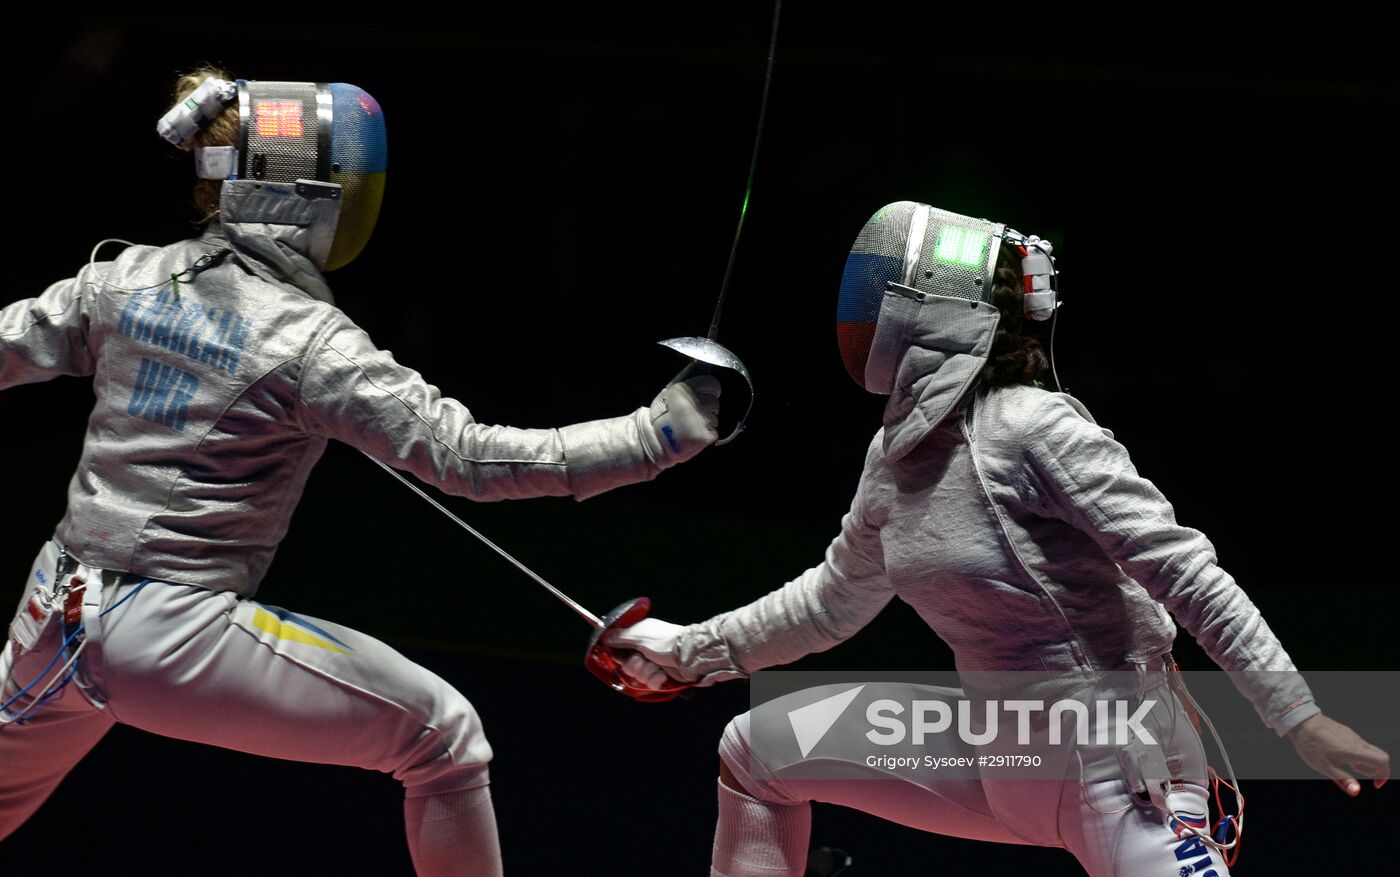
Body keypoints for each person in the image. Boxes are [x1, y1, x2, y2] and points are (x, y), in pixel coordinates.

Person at [0, 69, 720, 877]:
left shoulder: (124, 275)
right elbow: (471, 458)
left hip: (49, 620)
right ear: (315, 192)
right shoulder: (313, 342)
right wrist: (655, 437)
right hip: (168, 638)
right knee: (442, 734)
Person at [605, 202, 1390, 877]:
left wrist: (1297, 716)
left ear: (927, 307)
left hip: (1123, 774)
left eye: (878, 292)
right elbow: (829, 601)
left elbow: (1187, 573)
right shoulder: (897, 460)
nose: (859, 310)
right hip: (998, 754)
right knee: (757, 747)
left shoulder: (1037, 428)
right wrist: (690, 650)